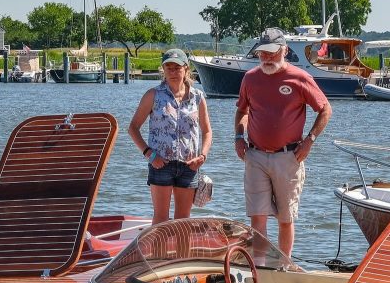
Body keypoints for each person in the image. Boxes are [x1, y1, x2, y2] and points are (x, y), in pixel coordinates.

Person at [234, 27, 332, 260]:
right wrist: (238, 137)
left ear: (284, 51)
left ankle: (284, 266)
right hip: (255, 155)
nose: (267, 58)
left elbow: (325, 109)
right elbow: (241, 111)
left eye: (272, 52)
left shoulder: (300, 78)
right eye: (263, 53)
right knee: (257, 217)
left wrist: (310, 141)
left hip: (289, 157)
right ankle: (260, 267)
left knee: (285, 218)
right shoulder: (250, 78)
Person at [128, 48, 212, 224]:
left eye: (177, 68)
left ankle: (181, 253)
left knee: (183, 221)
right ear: (163, 70)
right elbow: (133, 128)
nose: (173, 72)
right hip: (161, 163)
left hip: (189, 165)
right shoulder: (153, 95)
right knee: (161, 219)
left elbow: (207, 131)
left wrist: (203, 156)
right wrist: (149, 154)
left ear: (186, 69)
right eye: (169, 68)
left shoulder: (198, 97)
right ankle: (159, 253)